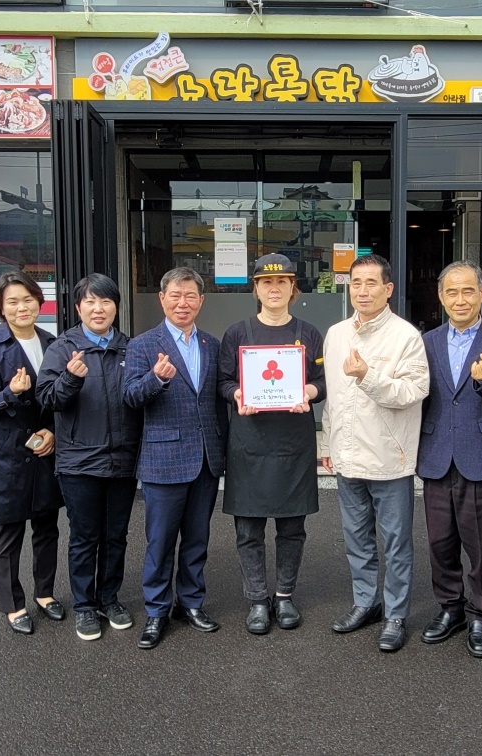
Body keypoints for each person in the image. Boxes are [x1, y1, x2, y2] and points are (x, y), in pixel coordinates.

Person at [320, 253, 429, 653]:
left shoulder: (405, 336)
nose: (362, 291)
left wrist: (368, 376)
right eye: (356, 283)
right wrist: (329, 443)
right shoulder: (335, 334)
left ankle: (396, 613)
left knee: (396, 541)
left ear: (388, 289)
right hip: (347, 456)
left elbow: (413, 392)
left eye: (371, 283)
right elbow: (333, 398)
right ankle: (365, 601)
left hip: (389, 458)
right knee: (357, 538)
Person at [217, 253, 326, 635]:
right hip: (250, 442)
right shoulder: (238, 332)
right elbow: (224, 381)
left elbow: (323, 380)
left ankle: (284, 596)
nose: (274, 288)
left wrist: (309, 390)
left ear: (293, 289)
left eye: (282, 282)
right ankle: (257, 600)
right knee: (249, 529)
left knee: (292, 527)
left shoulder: (309, 333)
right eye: (266, 282)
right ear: (256, 288)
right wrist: (237, 396)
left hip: (293, 442)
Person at [417, 261, 482, 658]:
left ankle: (481, 614)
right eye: (451, 292)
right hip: (437, 454)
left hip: (481, 456)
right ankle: (450, 608)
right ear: (441, 297)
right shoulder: (426, 341)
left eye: (468, 291)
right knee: (440, 543)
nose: (460, 299)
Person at [123, 267, 228, 650]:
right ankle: (155, 610)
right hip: (163, 458)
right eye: (175, 295)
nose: (183, 303)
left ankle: (191, 603)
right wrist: (156, 379)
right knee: (160, 541)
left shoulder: (212, 345)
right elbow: (131, 396)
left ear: (201, 301)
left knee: (198, 538)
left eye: (190, 296)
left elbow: (218, 401)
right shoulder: (142, 345)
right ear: (162, 299)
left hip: (206, 458)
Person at [36, 273, 142, 642]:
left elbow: (139, 400)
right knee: (84, 536)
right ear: (78, 306)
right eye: (90, 302)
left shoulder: (131, 348)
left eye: (106, 302)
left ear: (116, 306)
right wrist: (69, 379)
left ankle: (109, 599)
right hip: (79, 462)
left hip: (123, 460)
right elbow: (46, 399)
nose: (99, 309)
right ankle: (84, 605)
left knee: (116, 536)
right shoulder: (63, 348)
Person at [0, 271, 64, 635]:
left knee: (47, 528)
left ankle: (45, 593)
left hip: (44, 449)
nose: (21, 307)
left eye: (27, 299)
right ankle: (12, 604)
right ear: (0, 308)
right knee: (8, 533)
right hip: (7, 454)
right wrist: (10, 392)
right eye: (12, 301)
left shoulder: (52, 343)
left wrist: (54, 431)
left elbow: (61, 399)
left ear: (39, 302)